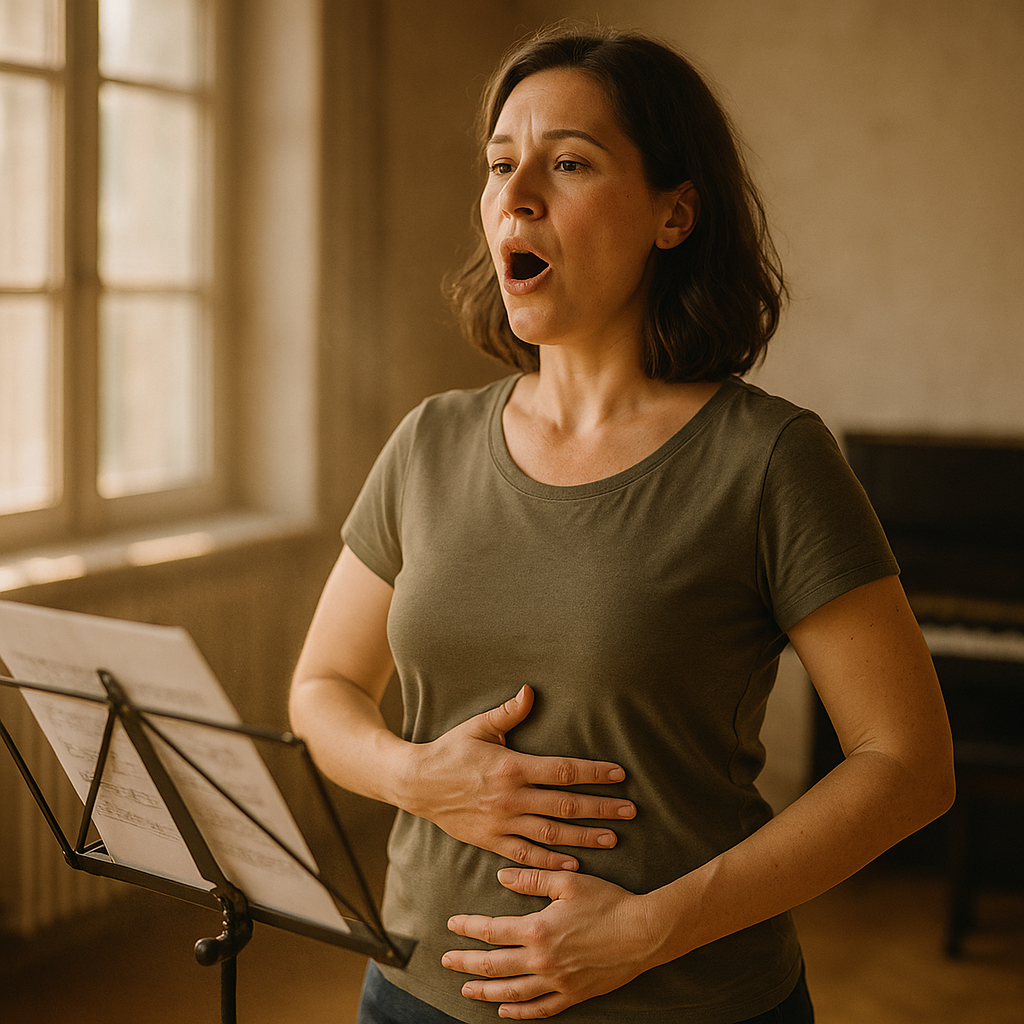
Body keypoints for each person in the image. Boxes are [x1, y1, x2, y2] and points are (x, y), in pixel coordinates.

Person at [289, 24, 955, 1024]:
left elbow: (907, 765)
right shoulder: (428, 441)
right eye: (500, 164)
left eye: (568, 163)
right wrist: (420, 776)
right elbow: (321, 686)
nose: (514, 195)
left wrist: (650, 927)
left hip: (686, 1002)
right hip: (414, 992)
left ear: (673, 213)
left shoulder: (770, 459)